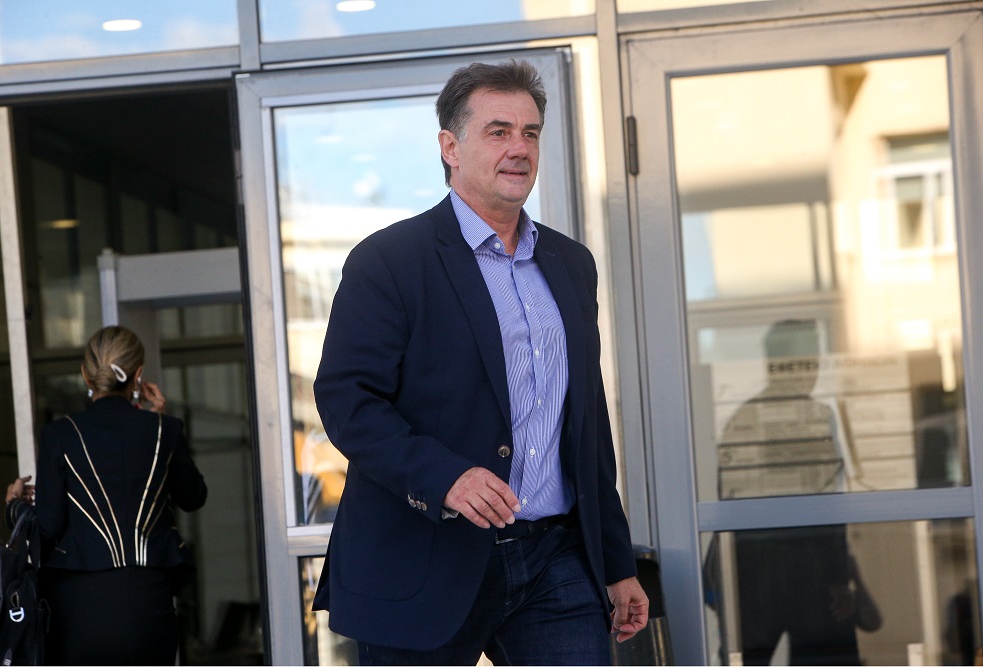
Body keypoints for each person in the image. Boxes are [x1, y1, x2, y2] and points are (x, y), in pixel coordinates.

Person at [311, 60, 648, 665]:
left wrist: (616, 562)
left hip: (555, 558)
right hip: (426, 559)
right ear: (450, 147)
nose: (519, 148)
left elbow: (586, 422)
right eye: (499, 132)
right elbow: (347, 400)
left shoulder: (572, 264)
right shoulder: (390, 261)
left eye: (530, 133)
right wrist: (447, 477)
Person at [5, 325, 208, 665]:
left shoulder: (60, 434)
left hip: (78, 610)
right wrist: (158, 421)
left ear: (86, 375)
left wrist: (14, 508)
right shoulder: (165, 430)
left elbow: (49, 526)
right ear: (138, 375)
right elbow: (194, 497)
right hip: (149, 604)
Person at [705, 320, 881, 665]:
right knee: (827, 659)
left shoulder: (741, 417)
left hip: (752, 571)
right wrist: (838, 578)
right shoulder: (817, 417)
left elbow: (729, 494)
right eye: (810, 361)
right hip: (810, 569)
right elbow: (829, 502)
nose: (814, 371)